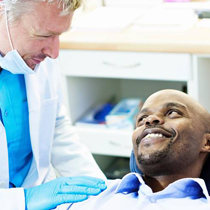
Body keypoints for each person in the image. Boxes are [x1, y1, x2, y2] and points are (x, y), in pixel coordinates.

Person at [0, 1, 106, 210]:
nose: (54, 52)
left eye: (59, 35)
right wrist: (23, 201)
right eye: (44, 35)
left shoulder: (37, 56)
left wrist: (101, 192)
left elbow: (55, 125)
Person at [62, 89, 210, 210]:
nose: (150, 120)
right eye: (141, 118)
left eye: (172, 112)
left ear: (207, 142)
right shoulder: (87, 196)